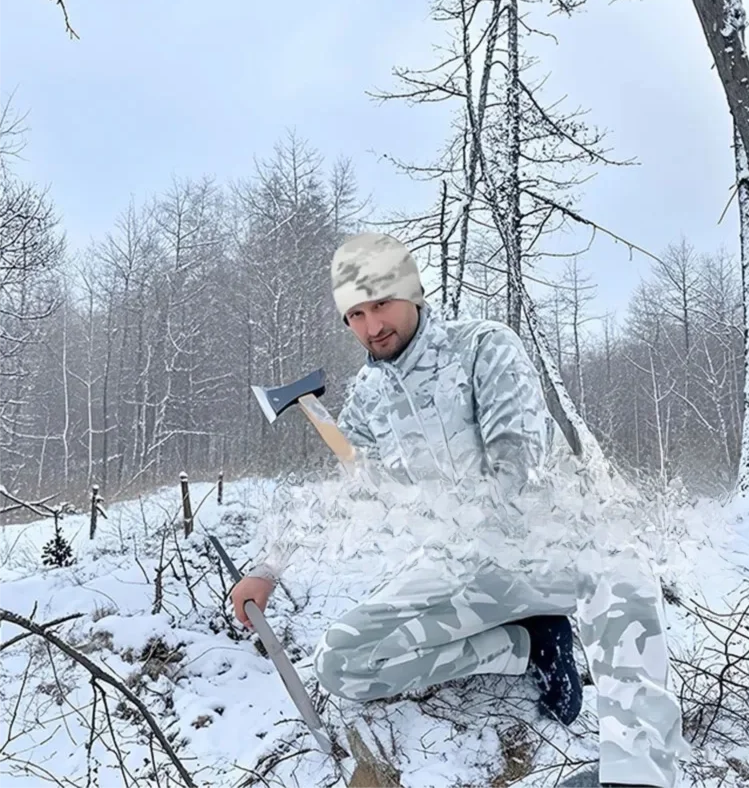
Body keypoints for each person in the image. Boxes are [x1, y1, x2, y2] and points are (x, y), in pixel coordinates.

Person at [231, 233, 687, 788]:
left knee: (621, 571)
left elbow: (517, 469)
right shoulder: (369, 399)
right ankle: (527, 645)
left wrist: (416, 501)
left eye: (381, 304)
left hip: (543, 548)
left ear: (414, 292)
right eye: (356, 313)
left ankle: (634, 775)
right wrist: (268, 566)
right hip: (462, 566)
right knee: (341, 662)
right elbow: (338, 495)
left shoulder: (483, 347)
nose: (372, 326)